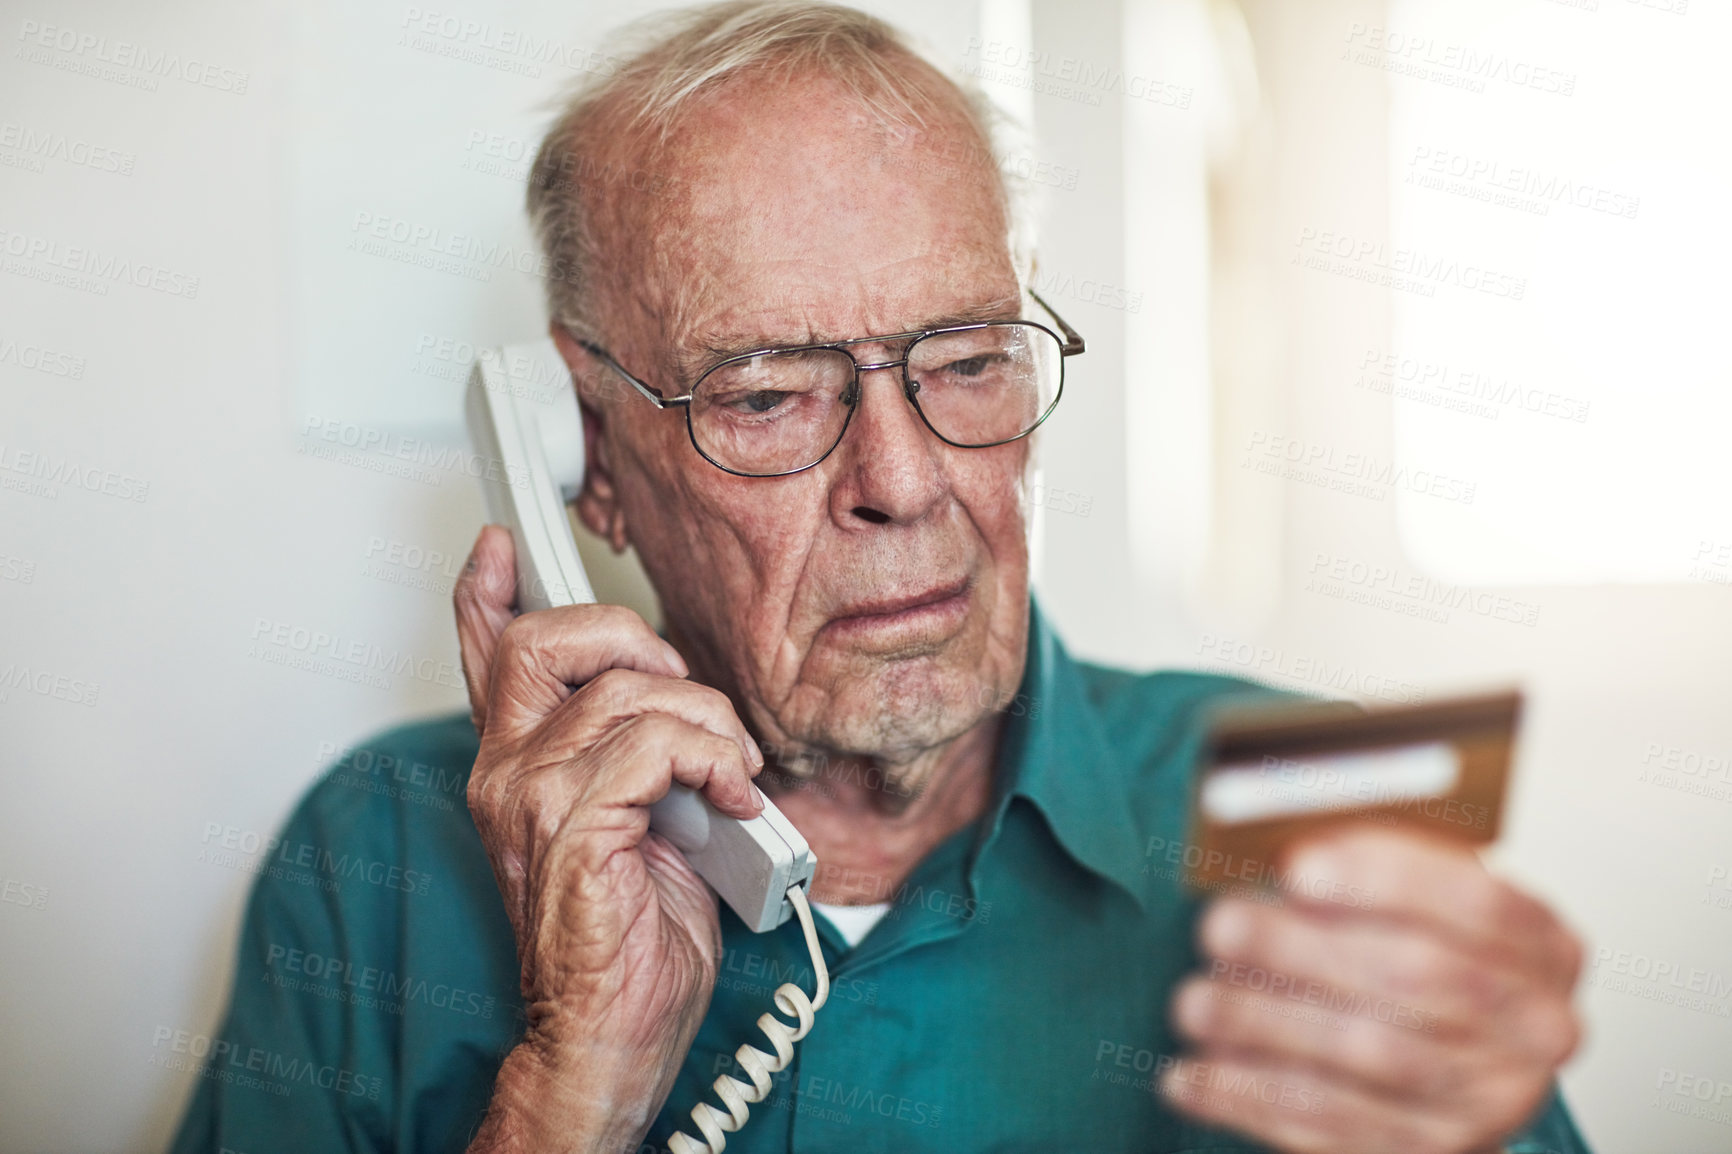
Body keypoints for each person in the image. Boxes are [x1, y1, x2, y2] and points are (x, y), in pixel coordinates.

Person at [171, 3, 1591, 1151]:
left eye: (970, 358)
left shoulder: (1311, 793)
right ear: (583, 455)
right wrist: (570, 1095)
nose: (904, 481)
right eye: (773, 390)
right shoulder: (374, 860)